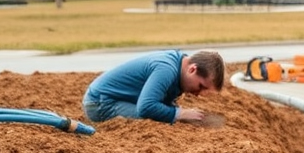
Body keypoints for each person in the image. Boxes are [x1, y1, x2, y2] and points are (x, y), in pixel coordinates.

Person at [82, 49, 225, 124]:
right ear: (192, 69)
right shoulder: (166, 69)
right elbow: (146, 107)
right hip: (100, 104)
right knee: (156, 119)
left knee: (165, 116)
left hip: (114, 100)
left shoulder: (178, 64)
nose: (198, 94)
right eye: (201, 86)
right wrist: (179, 114)